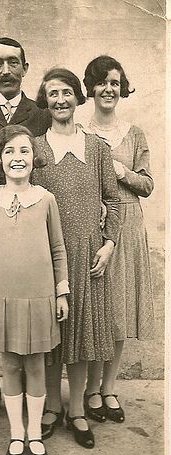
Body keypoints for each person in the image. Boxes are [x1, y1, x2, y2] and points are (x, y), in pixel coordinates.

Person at [32, 67, 120, 448]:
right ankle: (52, 406)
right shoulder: (34, 148)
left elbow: (113, 202)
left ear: (77, 97)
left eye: (67, 92)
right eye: (53, 93)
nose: (61, 100)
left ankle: (78, 411)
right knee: (53, 337)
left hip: (88, 257)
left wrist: (108, 244)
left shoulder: (97, 147)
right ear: (45, 100)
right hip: (48, 258)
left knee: (82, 335)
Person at [0, 37, 51, 427]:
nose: (5, 70)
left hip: (32, 227)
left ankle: (37, 402)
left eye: (13, 62)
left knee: (34, 315)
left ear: (25, 67)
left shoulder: (42, 113)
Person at [0, 124, 69, 455]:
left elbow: (58, 248)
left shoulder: (46, 200)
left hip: (39, 295)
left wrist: (61, 292)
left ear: (34, 157)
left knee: (35, 364)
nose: (17, 158)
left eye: (24, 151)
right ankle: (16, 434)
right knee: (10, 364)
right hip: (2, 295)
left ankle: (35, 435)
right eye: (9, 151)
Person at [83, 55, 154, 423]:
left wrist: (121, 170)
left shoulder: (134, 133)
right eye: (101, 82)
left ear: (121, 87)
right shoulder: (81, 132)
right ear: (90, 88)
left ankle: (108, 388)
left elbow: (148, 184)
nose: (108, 89)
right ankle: (90, 389)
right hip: (95, 225)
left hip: (128, 224)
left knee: (121, 310)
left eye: (114, 82)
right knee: (98, 310)